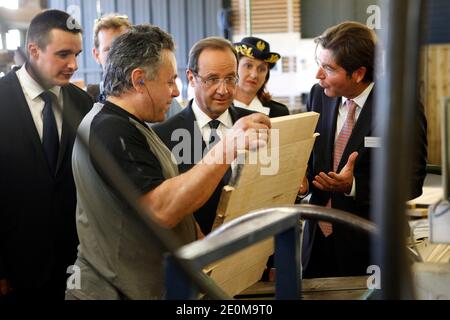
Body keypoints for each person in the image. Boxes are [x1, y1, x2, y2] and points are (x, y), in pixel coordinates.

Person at [66, 25, 270, 300]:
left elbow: (174, 202)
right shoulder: (110, 130)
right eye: (170, 80)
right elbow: (162, 210)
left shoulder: (132, 126)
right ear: (139, 80)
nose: (176, 92)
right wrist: (227, 147)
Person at [300, 21, 427, 278]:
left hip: (369, 245)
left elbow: (411, 181)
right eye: (319, 64)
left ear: (358, 73)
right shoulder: (318, 95)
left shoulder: (399, 106)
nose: (318, 75)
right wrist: (300, 180)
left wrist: (353, 185)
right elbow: (310, 160)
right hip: (317, 242)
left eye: (328, 68)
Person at [0, 9, 92, 299]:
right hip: (16, 269)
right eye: (63, 54)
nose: (73, 65)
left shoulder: (81, 103)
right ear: (33, 50)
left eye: (77, 54)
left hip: (73, 266)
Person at [154, 37, 256, 235]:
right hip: (195, 254)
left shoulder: (253, 124)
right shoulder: (163, 137)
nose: (223, 89)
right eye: (212, 79)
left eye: (230, 78)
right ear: (191, 77)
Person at [86, 13, 182, 119]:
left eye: (126, 49)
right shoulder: (84, 101)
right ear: (96, 54)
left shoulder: (163, 101)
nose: (117, 56)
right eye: (109, 49)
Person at [233, 36, 289, 118]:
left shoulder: (279, 113)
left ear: (266, 77)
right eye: (248, 66)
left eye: (262, 69)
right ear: (235, 68)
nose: (254, 75)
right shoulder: (220, 110)